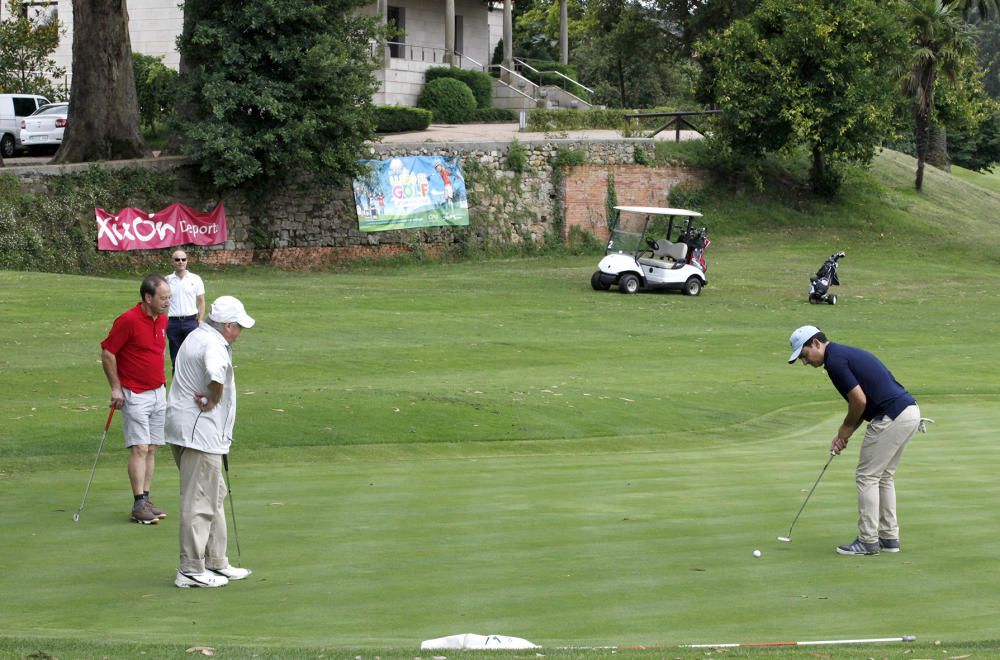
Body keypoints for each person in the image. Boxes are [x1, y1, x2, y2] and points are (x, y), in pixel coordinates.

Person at [787, 325, 920, 556]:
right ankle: (889, 538)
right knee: (883, 476)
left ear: (816, 343)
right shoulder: (842, 354)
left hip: (891, 415)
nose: (805, 363)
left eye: (804, 355)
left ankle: (868, 541)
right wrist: (844, 434)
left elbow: (858, 401)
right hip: (909, 412)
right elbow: (863, 403)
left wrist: (845, 428)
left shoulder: (835, 362)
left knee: (867, 476)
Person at [165, 296, 255, 588]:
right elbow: (216, 375)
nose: (240, 332)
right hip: (199, 434)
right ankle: (190, 568)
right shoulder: (214, 345)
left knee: (213, 495)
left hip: (194, 431)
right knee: (200, 500)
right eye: (238, 326)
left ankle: (216, 561)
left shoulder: (198, 334)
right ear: (227, 326)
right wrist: (212, 399)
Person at [100, 274, 172, 524]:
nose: (167, 302)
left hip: (158, 391)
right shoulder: (128, 320)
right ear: (147, 297)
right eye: (163, 298)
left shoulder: (162, 319)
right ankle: (137, 502)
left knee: (152, 447)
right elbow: (108, 353)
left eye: (169, 297)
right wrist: (116, 388)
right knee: (140, 447)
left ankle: (146, 498)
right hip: (135, 393)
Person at [165, 249, 205, 367]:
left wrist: (200, 319)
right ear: (172, 262)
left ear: (187, 261)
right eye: (177, 260)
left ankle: (193, 385)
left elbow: (201, 301)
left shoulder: (195, 279)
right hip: (173, 322)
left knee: (193, 357)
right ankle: (177, 385)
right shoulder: (167, 280)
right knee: (176, 359)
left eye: (183, 259)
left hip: (191, 321)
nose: (180, 262)